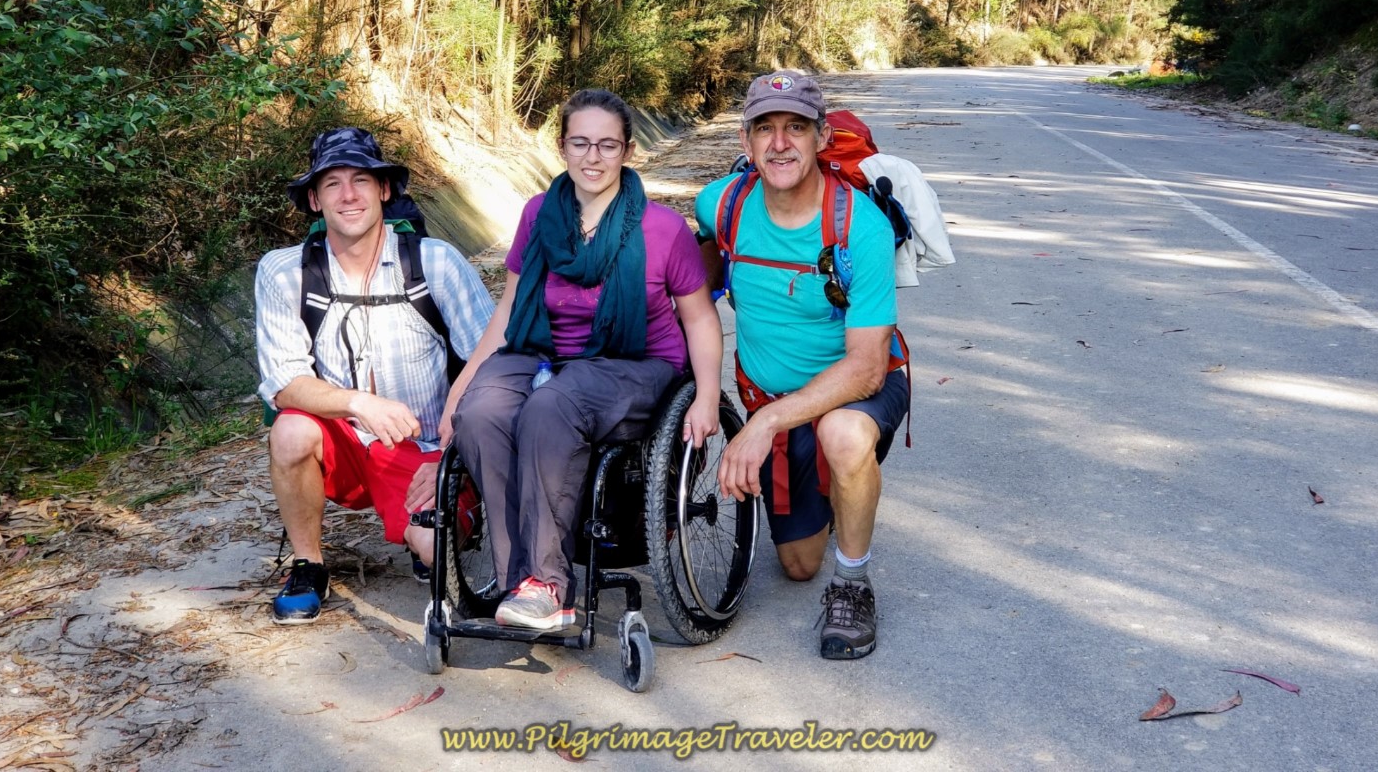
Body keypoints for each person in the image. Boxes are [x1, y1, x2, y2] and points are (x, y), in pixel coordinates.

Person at [404, 89, 723, 631]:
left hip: (635, 362)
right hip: (544, 350)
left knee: (552, 405)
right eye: (580, 143)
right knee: (480, 413)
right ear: (562, 147)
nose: (592, 157)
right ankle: (518, 581)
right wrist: (463, 386)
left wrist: (709, 396)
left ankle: (547, 584)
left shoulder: (662, 229)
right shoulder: (538, 215)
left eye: (607, 145)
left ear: (627, 150)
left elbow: (699, 318)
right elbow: (508, 309)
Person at [695, 70, 910, 660]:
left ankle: (853, 585)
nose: (780, 142)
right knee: (796, 565)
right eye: (765, 128)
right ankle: (831, 507)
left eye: (796, 127)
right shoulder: (721, 205)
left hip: (854, 395)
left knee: (843, 436)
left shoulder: (858, 225)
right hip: (774, 402)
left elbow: (866, 369)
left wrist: (762, 426)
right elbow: (697, 283)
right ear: (746, 142)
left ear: (819, 138)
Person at [256, 127, 494, 624]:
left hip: (428, 451)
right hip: (347, 441)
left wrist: (460, 453)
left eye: (361, 180)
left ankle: (433, 526)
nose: (348, 195)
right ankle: (308, 566)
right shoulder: (284, 273)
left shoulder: (436, 264)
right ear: (314, 201)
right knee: (291, 428)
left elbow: (495, 367)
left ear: (385, 190)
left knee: (434, 550)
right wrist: (359, 403)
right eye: (332, 184)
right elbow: (285, 384)